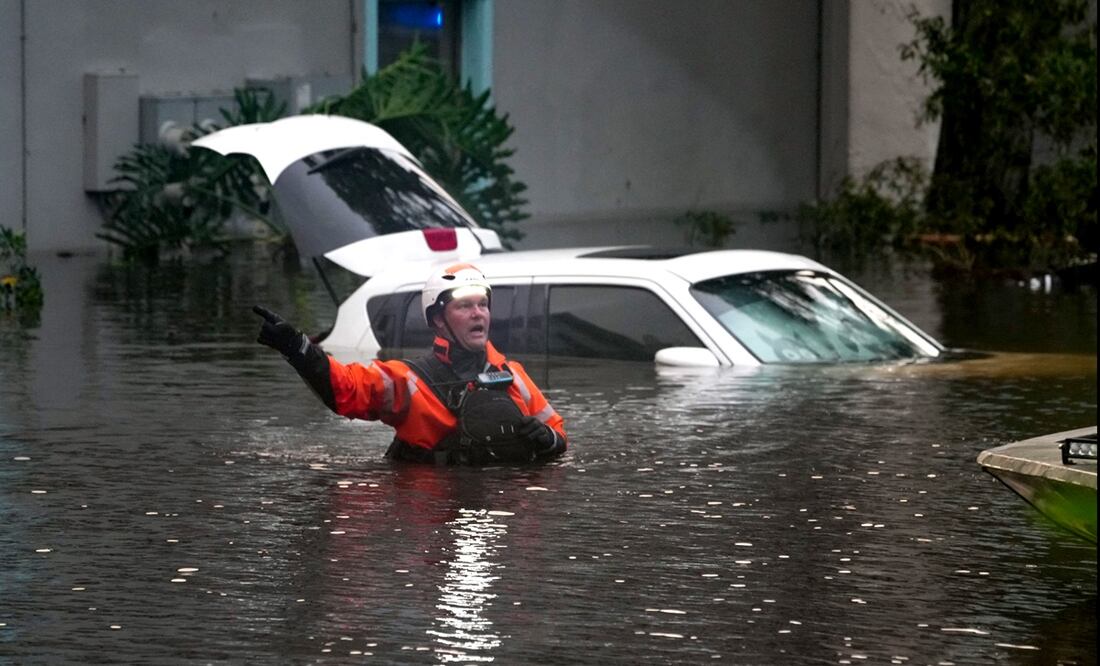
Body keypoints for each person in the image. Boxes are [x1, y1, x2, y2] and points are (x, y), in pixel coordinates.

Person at [252, 262, 567, 465]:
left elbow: (557, 431)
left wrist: (550, 440)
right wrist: (297, 346)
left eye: (483, 304)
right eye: (465, 306)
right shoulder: (406, 381)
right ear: (438, 320)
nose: (478, 313)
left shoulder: (513, 375)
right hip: (430, 519)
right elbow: (344, 388)